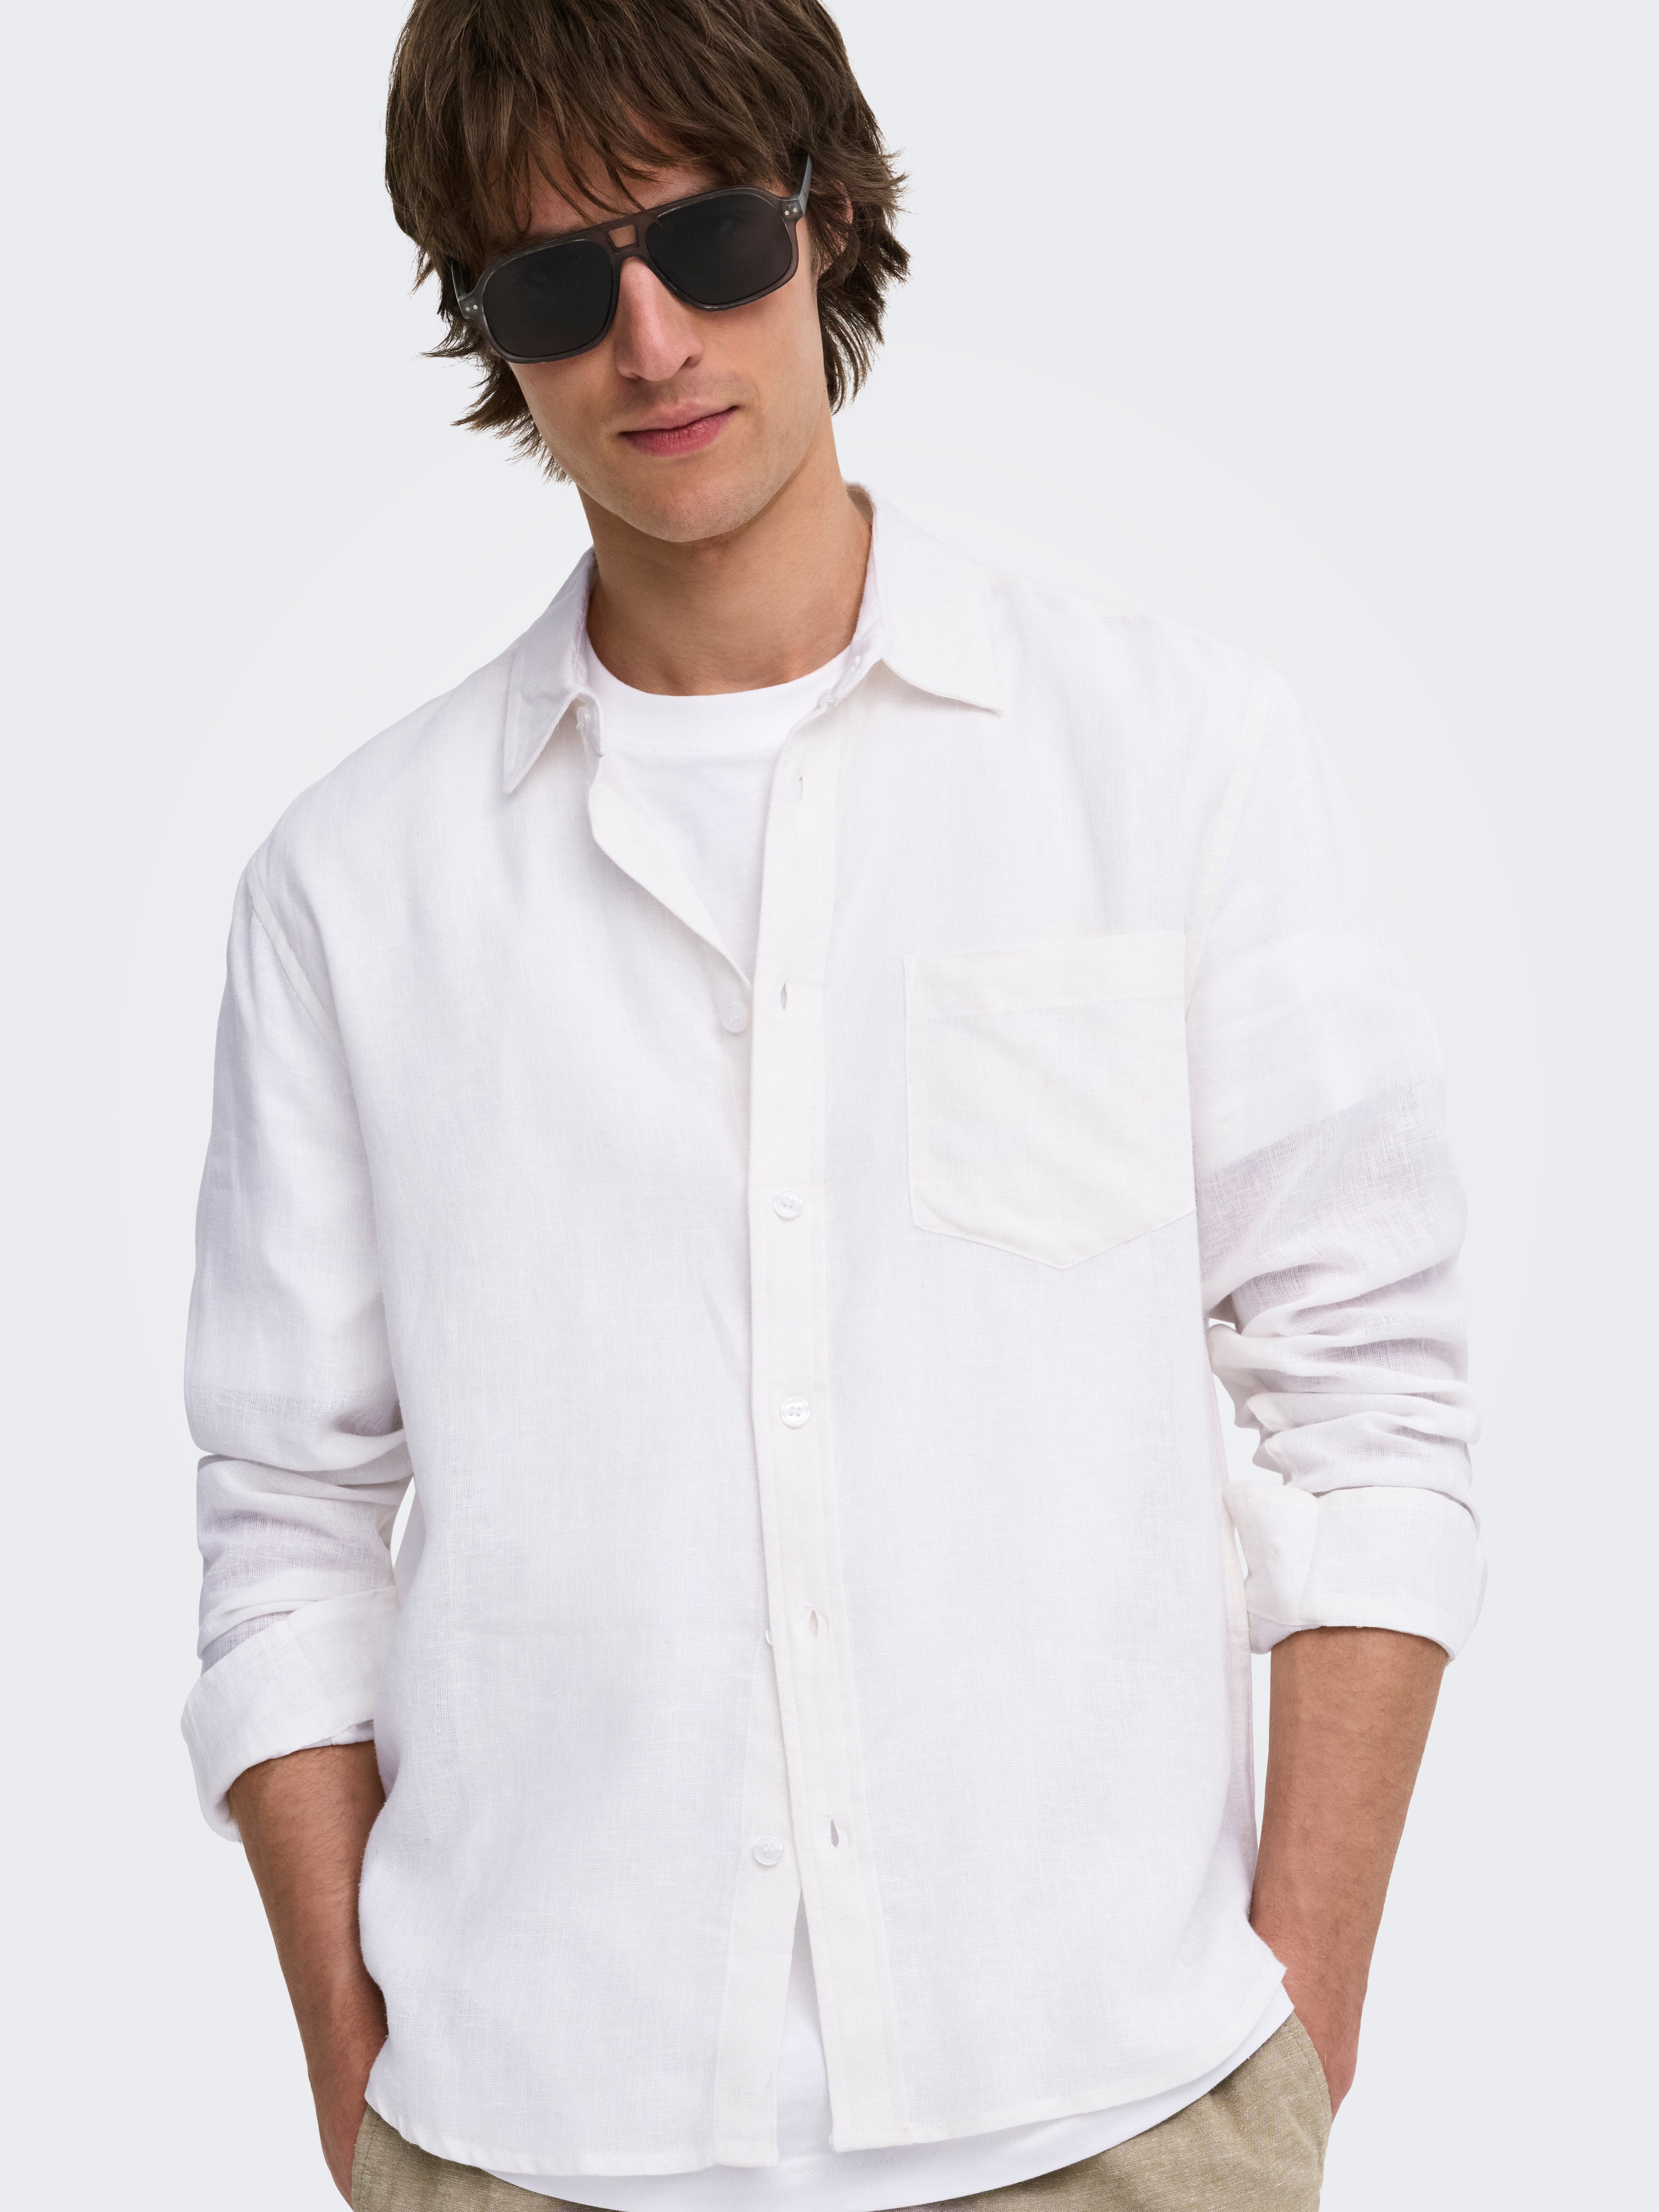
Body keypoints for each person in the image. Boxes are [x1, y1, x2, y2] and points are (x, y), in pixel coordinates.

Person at [181, 3, 1484, 2207]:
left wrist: (1300, 2022)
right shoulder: (351, 888)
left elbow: (1370, 1393)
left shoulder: (1176, 764)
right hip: (529, 2134)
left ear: (829, 217)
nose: (652, 339)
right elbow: (287, 1512)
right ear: (488, 328)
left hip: (1123, 2113)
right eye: (557, 282)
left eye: (706, 236)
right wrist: (352, 2078)